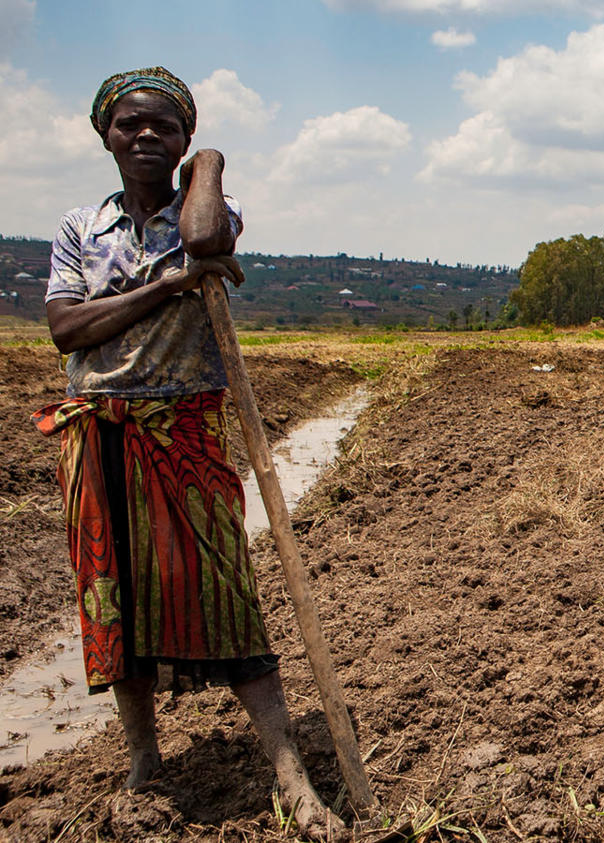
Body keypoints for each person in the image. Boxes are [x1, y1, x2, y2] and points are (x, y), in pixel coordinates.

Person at [34, 67, 344, 839]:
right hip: (99, 431)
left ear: (182, 140)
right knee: (114, 599)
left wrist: (208, 165)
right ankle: (144, 757)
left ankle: (286, 766)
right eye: (131, 124)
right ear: (105, 134)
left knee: (226, 593)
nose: (146, 137)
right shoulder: (81, 227)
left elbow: (207, 238)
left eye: (165, 128)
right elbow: (69, 330)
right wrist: (171, 286)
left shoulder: (206, 206)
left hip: (187, 433)